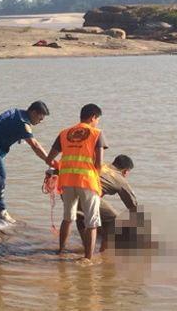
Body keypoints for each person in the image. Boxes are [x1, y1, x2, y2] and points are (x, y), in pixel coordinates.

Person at [45, 103, 107, 261]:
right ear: (93, 117)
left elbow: (49, 159)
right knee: (91, 222)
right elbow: (99, 163)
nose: (97, 122)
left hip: (66, 181)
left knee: (68, 218)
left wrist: (60, 167)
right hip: (87, 181)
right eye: (97, 119)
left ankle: (61, 251)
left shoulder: (64, 133)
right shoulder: (97, 133)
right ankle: (87, 259)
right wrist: (96, 173)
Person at [0, 101, 52, 223]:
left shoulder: (17, 112)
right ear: (33, 112)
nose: (40, 121)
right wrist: (49, 161)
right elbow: (35, 145)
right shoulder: (23, 123)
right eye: (40, 118)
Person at [75, 154, 137, 252]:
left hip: (70, 192)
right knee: (114, 219)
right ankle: (103, 250)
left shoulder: (101, 165)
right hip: (87, 197)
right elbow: (133, 206)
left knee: (81, 215)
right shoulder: (119, 179)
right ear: (125, 171)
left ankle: (85, 244)